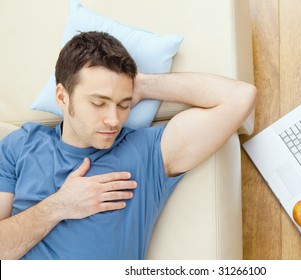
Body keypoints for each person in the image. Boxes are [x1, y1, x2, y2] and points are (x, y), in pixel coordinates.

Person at [0, 31, 257, 259]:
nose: (114, 120)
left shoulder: (144, 151)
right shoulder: (19, 145)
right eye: (99, 103)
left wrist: (142, 84)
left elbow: (240, 97)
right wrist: (60, 205)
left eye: (123, 104)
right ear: (62, 97)